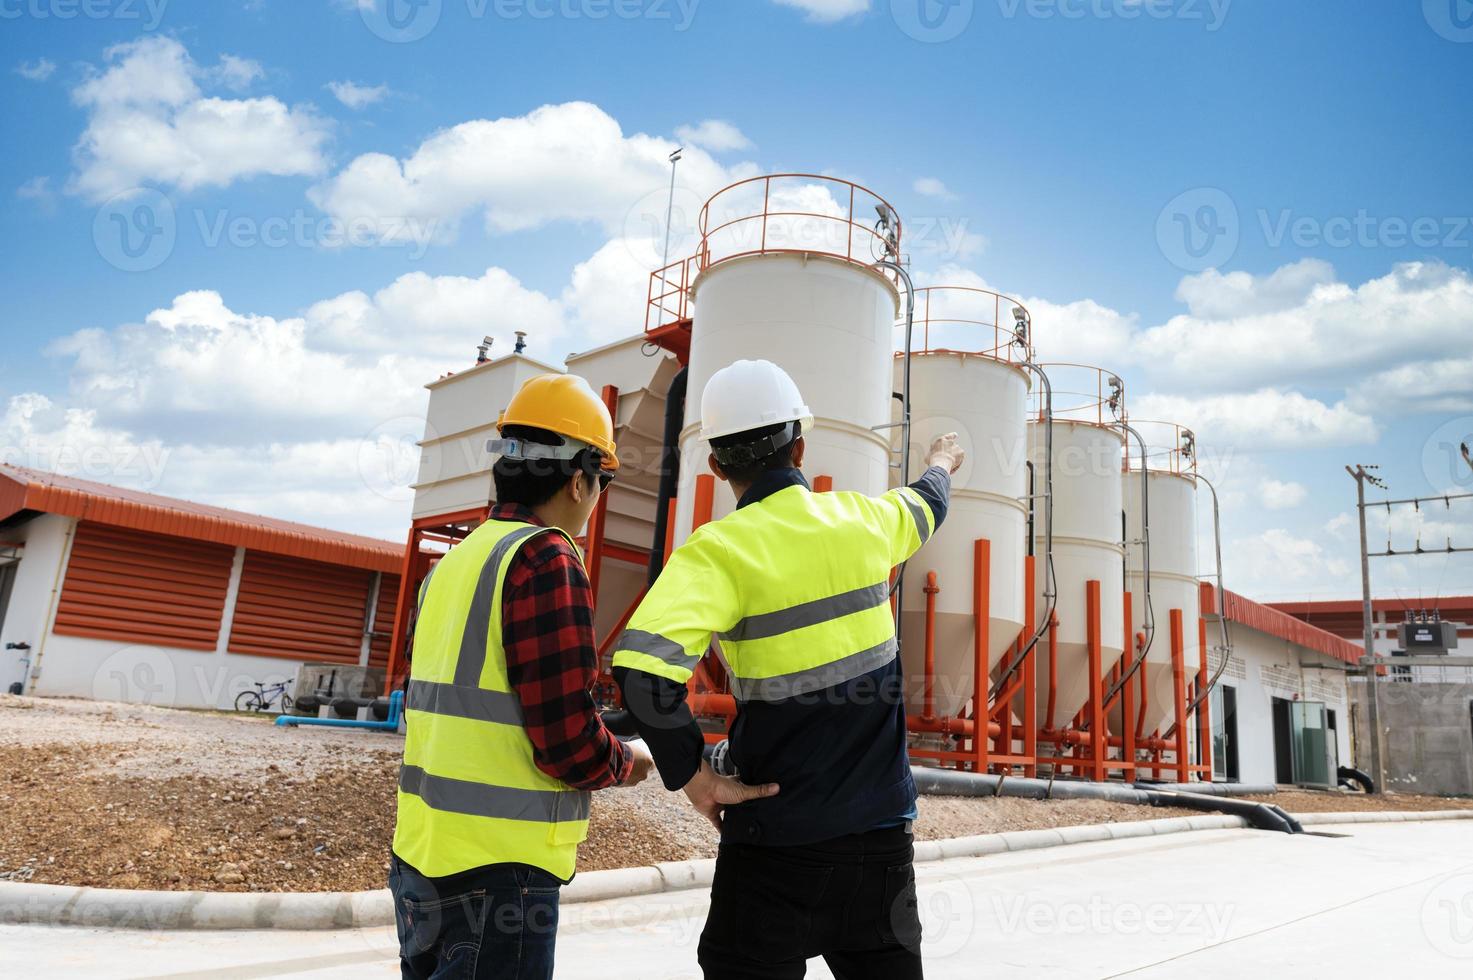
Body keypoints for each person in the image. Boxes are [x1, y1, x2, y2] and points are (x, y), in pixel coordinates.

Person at [611, 358, 963, 979]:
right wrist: (940, 460)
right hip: (880, 850)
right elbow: (927, 503)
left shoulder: (717, 552)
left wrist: (695, 779)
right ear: (800, 445)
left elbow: (641, 673)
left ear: (717, 467)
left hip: (774, 849)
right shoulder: (865, 520)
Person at [389, 372, 655, 980]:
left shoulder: (455, 564)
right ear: (579, 475)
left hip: (420, 858)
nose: (596, 496)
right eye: (603, 479)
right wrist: (624, 762)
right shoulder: (547, 557)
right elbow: (567, 745)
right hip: (499, 876)